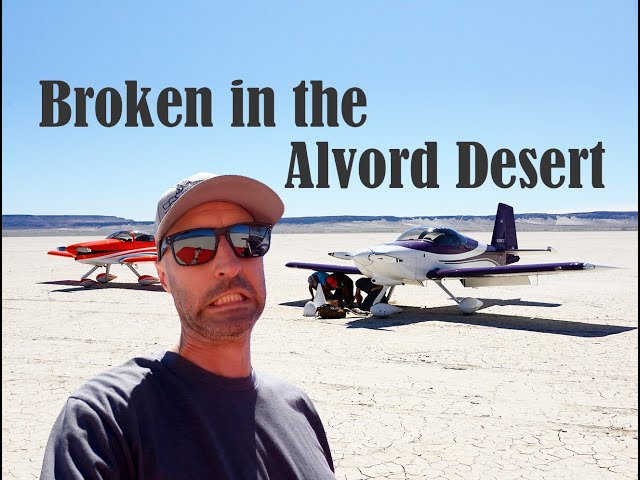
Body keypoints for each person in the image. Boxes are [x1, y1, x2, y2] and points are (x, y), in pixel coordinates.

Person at [40, 173, 335, 479]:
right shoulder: (102, 422)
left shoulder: (299, 410)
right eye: (194, 246)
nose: (229, 265)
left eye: (249, 239)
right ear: (163, 276)